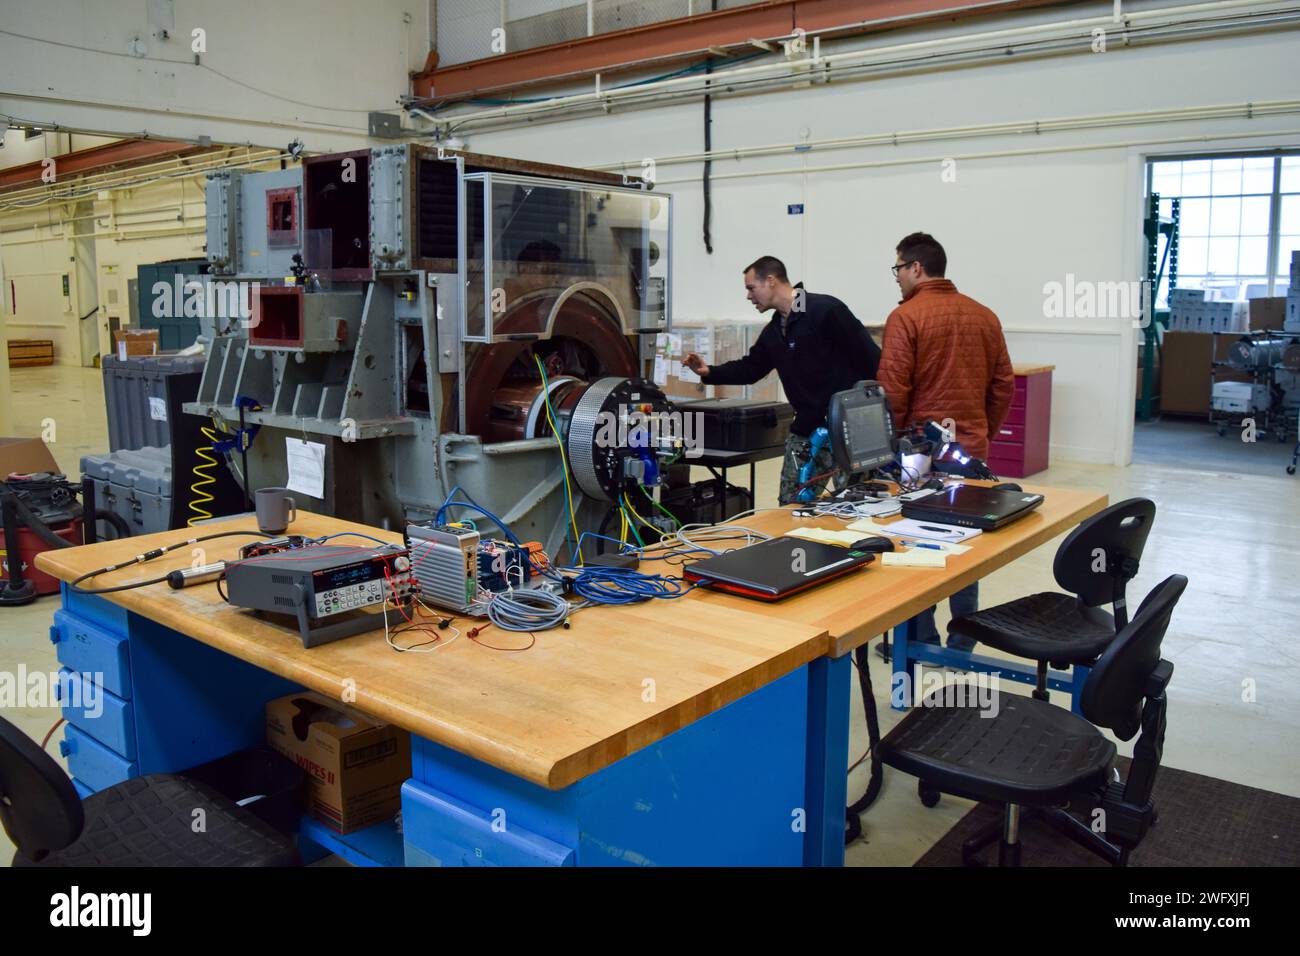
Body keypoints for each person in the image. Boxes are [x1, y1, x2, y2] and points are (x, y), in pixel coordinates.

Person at [877, 232, 1015, 651]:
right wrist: (981, 432)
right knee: (967, 542)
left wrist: (891, 447)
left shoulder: (906, 317)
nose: (896, 277)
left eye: (898, 268)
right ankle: (963, 641)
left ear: (916, 268)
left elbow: (893, 391)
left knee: (919, 543)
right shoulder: (984, 315)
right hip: (970, 448)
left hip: (921, 453)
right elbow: (1003, 385)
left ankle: (920, 640)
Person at [682, 256, 880, 503]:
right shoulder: (775, 331)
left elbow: (872, 360)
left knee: (855, 507)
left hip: (848, 430)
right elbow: (751, 369)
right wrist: (709, 372)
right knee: (791, 508)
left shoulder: (826, 311)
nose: (748, 296)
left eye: (751, 288)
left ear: (771, 281)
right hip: (807, 431)